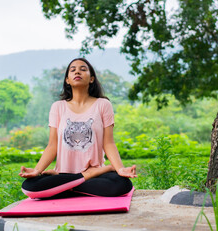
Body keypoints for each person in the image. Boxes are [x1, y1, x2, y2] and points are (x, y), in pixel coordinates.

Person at [19, 58, 137, 199]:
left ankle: (64, 187)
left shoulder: (103, 105)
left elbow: (109, 143)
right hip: (64, 173)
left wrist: (119, 168)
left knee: (122, 184)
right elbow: (52, 145)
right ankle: (83, 177)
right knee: (30, 187)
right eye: (72, 69)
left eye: (83, 69)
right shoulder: (58, 107)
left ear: (91, 78)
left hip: (96, 173)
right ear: (67, 80)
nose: (77, 72)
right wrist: (37, 170)